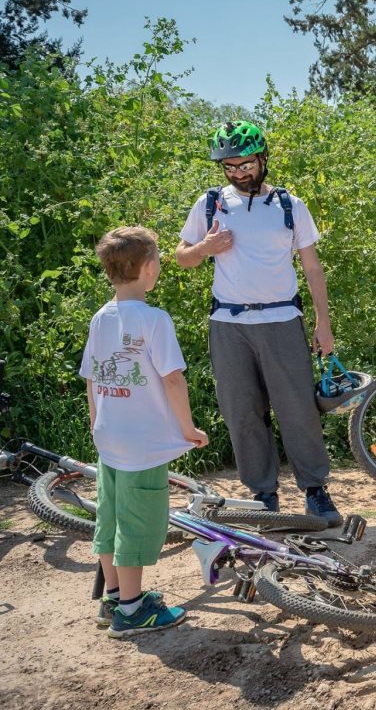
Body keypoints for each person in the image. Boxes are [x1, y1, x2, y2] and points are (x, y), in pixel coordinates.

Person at [176, 121, 341, 526]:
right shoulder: (211, 203)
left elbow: (313, 267)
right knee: (242, 412)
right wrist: (205, 247)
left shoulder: (290, 205)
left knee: (298, 409)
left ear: (263, 159)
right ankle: (263, 496)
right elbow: (182, 256)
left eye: (245, 164)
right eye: (229, 166)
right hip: (228, 324)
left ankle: (316, 491)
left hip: (283, 319)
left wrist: (323, 323)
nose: (237, 173)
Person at [81, 226, 209, 638]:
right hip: (141, 444)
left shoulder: (102, 317)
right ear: (151, 268)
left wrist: (96, 421)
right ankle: (133, 613)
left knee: (111, 516)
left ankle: (115, 598)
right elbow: (173, 380)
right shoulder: (155, 319)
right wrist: (187, 429)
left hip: (109, 436)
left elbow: (91, 378)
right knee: (138, 521)